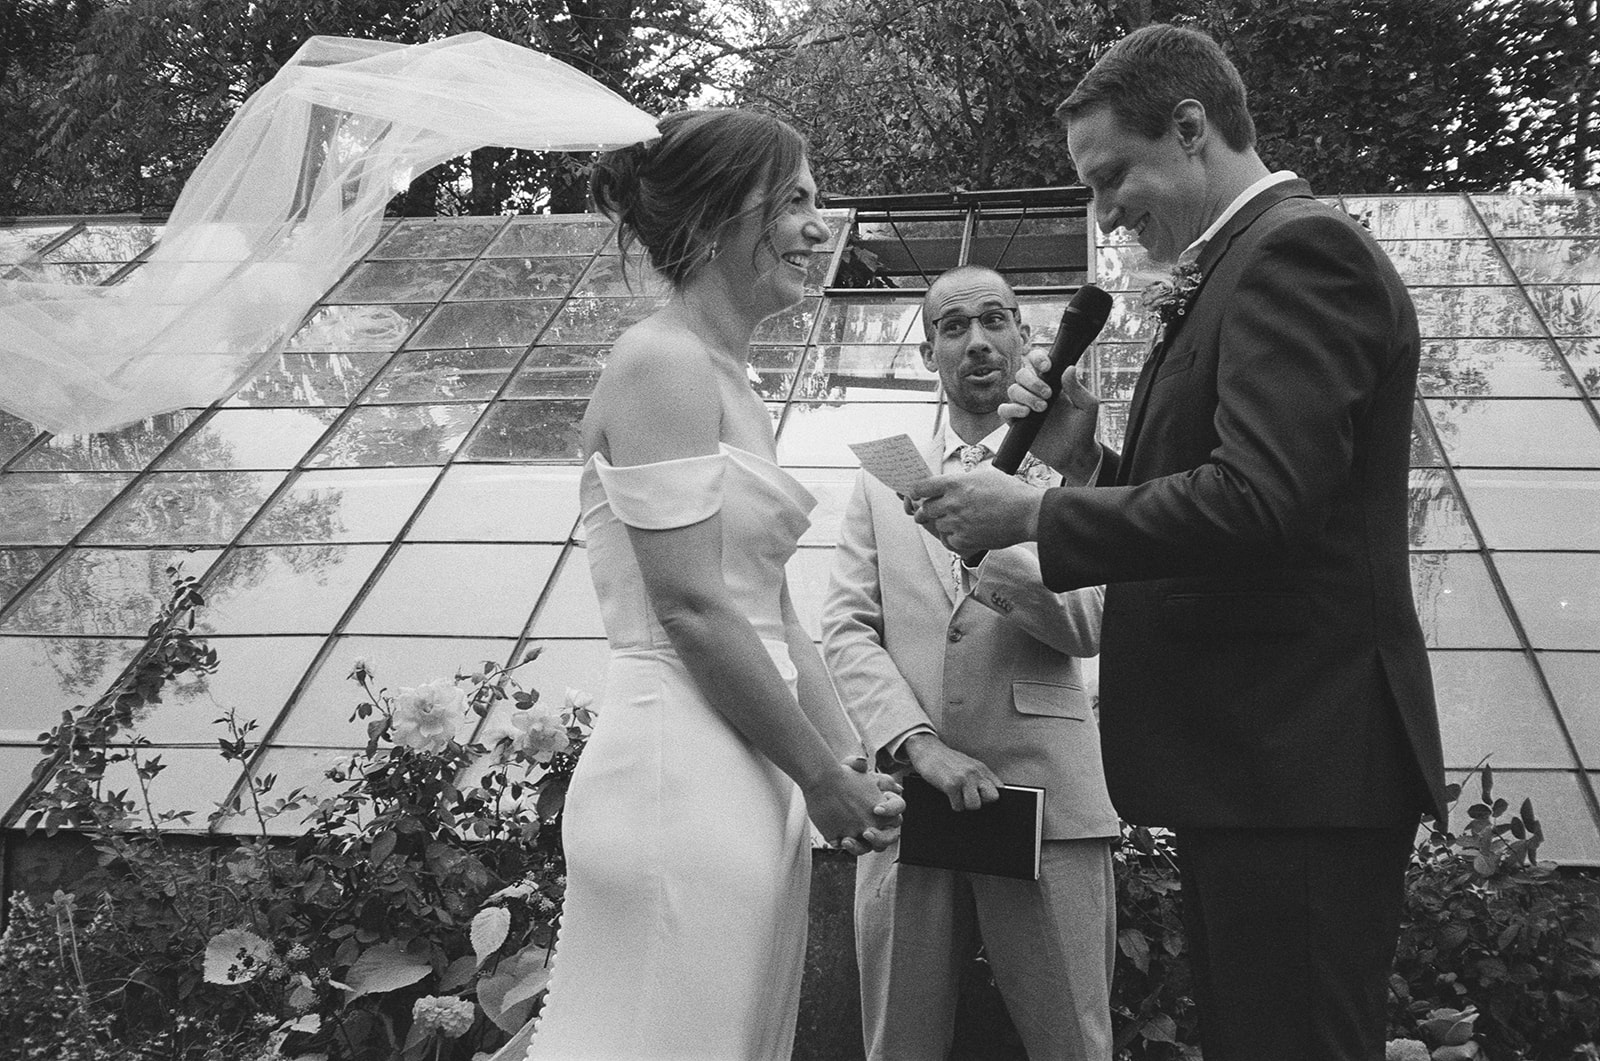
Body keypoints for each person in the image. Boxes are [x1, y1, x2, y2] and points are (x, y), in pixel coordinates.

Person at [904, 25, 1449, 1061]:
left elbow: (1261, 502)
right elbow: (1243, 502)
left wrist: (1032, 516)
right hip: (1259, 764)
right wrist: (1080, 458)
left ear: (1191, 129)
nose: (1106, 211)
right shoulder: (1241, 261)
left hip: (1299, 758)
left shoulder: (1296, 252)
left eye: (1113, 177)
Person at [523, 108, 903, 1061]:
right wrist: (818, 773)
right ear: (724, 214)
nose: (823, 228)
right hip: (676, 772)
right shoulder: (662, 364)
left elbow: (770, 607)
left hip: (748, 767)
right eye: (799, 202)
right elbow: (692, 609)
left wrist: (847, 753)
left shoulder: (731, 375)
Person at [821, 265, 1119, 1061]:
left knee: (1073, 1044)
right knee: (900, 1043)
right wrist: (918, 745)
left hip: (1047, 799)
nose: (979, 341)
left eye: (997, 320)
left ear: (1026, 338)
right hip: (912, 800)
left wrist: (992, 548)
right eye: (955, 326)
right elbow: (846, 627)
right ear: (928, 354)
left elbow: (1093, 621)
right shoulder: (882, 480)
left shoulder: (1076, 465)